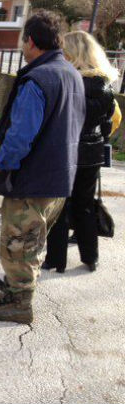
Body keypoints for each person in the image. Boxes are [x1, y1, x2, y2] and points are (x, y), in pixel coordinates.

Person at [0, 11, 85, 324]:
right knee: (34, 240)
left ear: (33, 42)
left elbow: (22, 132)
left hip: (32, 180)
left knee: (19, 242)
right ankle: (15, 291)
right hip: (59, 178)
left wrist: (4, 165)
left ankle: (18, 304)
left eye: (23, 40)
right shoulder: (72, 74)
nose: (22, 47)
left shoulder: (38, 78)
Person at [42, 31, 119, 274]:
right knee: (84, 205)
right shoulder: (105, 84)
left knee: (59, 207)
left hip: (67, 151)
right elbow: (108, 123)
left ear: (72, 53)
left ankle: (56, 260)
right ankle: (90, 257)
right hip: (92, 153)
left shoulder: (67, 81)